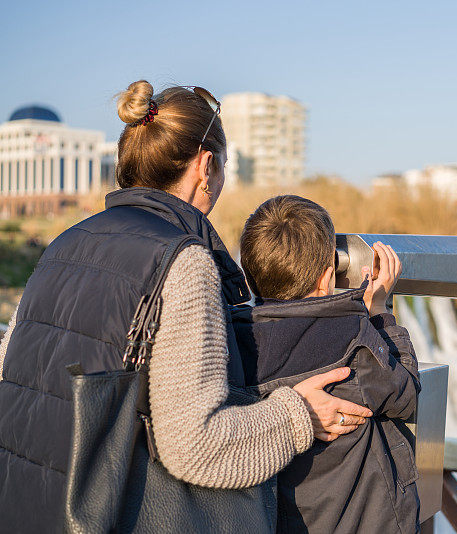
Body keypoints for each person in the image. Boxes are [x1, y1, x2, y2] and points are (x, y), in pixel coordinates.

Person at [0, 81, 371, 533]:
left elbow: (12, 368)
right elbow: (197, 448)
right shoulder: (182, 260)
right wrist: (302, 415)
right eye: (224, 168)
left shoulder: (63, 245)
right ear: (205, 166)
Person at [232, 195, 421, 534]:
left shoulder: (232, 341)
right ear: (327, 277)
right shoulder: (352, 341)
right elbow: (406, 393)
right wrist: (379, 310)